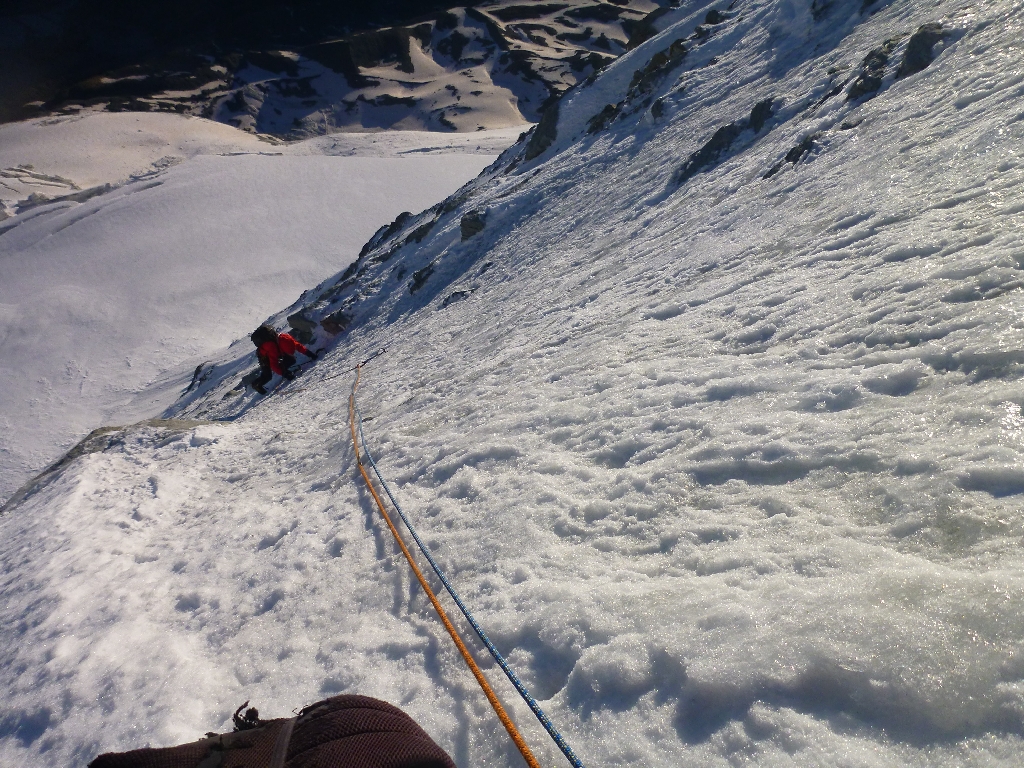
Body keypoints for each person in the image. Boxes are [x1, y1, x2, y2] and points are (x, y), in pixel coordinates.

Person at [250, 325, 317, 395]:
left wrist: (310, 354)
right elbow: (273, 365)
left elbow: (298, 346)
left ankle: (284, 370)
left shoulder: (286, 338)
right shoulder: (272, 348)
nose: (291, 353)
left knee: (291, 360)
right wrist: (285, 374)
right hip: (263, 356)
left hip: (275, 350)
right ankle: (257, 385)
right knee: (268, 376)